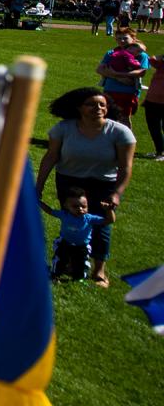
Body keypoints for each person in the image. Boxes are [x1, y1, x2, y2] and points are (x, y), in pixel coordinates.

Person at [35, 87, 135, 288]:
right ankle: (71, 263)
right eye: (91, 104)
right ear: (79, 108)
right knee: (73, 222)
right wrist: (39, 185)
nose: (97, 108)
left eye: (102, 104)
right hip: (69, 181)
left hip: (103, 184)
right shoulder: (63, 129)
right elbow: (51, 157)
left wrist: (116, 193)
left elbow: (125, 167)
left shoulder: (120, 132)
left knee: (102, 224)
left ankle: (99, 270)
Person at [96, 30, 149, 129]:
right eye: (119, 38)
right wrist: (117, 76)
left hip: (128, 92)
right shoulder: (112, 52)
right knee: (108, 117)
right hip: (109, 89)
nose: (122, 40)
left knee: (124, 118)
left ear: (133, 39)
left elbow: (142, 72)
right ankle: (109, 142)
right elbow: (99, 69)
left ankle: (127, 142)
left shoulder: (140, 54)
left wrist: (118, 74)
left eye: (125, 38)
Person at [48, 188, 100, 281]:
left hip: (82, 245)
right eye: (75, 206)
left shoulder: (90, 218)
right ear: (66, 206)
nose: (80, 209)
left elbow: (109, 220)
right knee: (60, 258)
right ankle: (55, 274)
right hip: (65, 242)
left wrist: (109, 210)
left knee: (81, 262)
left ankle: (79, 277)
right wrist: (37, 201)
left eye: (84, 206)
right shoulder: (64, 214)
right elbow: (49, 211)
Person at [142, 60, 164, 161]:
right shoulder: (161, 67)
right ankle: (159, 151)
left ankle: (161, 153)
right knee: (154, 128)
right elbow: (151, 60)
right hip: (152, 101)